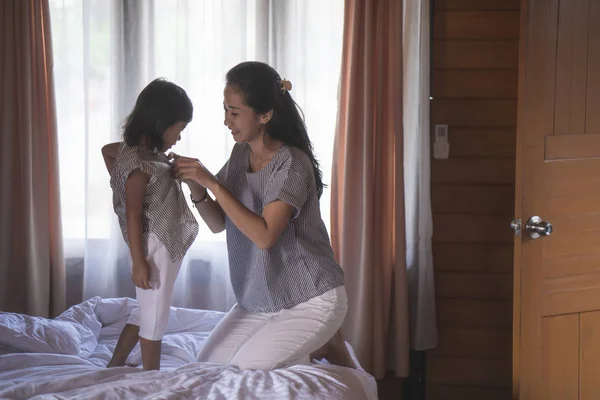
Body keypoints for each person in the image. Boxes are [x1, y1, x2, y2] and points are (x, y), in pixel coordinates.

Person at [172, 61, 355, 370]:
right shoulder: (241, 154)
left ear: (265, 115)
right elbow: (219, 223)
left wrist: (211, 181)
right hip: (261, 297)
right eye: (225, 110)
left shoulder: (293, 164)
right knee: (206, 367)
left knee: (245, 371)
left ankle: (325, 342)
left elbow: (264, 235)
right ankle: (324, 344)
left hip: (311, 297)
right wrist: (196, 185)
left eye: (234, 112)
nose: (226, 120)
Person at [101, 78, 199, 370]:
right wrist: (138, 261)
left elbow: (108, 149)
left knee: (146, 310)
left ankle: (115, 364)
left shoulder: (147, 156)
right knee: (155, 317)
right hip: (157, 244)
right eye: (179, 129)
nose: (179, 138)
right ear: (160, 123)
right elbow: (132, 214)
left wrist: (146, 152)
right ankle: (151, 379)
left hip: (164, 241)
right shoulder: (138, 165)